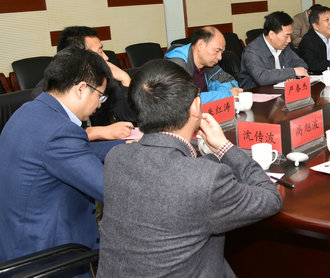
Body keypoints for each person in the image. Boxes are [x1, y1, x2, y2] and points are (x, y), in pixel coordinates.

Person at [97, 60, 281, 277]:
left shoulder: (116, 157)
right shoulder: (205, 179)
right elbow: (271, 199)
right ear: (195, 106)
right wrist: (224, 147)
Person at [0, 48, 124, 268]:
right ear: (81, 89)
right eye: (100, 96)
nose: (99, 105)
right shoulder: (59, 131)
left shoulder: (29, 111)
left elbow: (76, 152)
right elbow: (112, 190)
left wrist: (128, 146)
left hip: (16, 242)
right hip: (49, 258)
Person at [32, 26, 136, 140]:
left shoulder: (102, 81)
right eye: (100, 52)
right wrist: (97, 132)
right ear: (79, 57)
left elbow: (129, 116)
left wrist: (125, 79)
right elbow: (56, 137)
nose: (106, 58)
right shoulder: (47, 92)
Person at [165, 26, 242, 103]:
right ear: (200, 45)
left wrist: (223, 93)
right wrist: (226, 95)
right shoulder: (176, 64)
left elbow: (230, 83)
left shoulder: (208, 63)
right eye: (217, 51)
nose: (220, 57)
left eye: (221, 52)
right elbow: (182, 100)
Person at [239, 11, 309, 89]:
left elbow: (301, 64)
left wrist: (291, 76)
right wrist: (292, 72)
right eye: (286, 36)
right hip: (256, 93)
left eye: (290, 35)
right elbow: (262, 78)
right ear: (272, 34)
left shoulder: (284, 46)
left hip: (280, 91)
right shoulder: (251, 51)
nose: (289, 40)